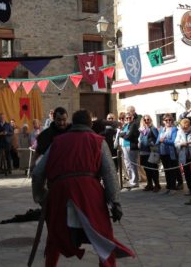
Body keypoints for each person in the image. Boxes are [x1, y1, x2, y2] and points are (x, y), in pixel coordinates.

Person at [31, 109, 134, 266]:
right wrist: (115, 202)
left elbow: (38, 173)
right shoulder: (98, 141)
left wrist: (42, 197)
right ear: (89, 124)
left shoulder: (57, 141)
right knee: (103, 235)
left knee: (55, 236)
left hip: (60, 193)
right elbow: (109, 175)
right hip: (89, 193)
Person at [156, 113, 180, 194]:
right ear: (163, 121)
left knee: (172, 170)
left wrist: (164, 140)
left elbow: (174, 141)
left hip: (171, 153)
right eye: (166, 120)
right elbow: (157, 140)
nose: (168, 121)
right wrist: (159, 141)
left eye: (170, 120)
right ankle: (168, 187)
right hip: (163, 153)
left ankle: (173, 188)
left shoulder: (174, 129)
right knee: (166, 171)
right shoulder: (162, 129)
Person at [138, 114, 160, 192]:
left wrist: (152, 144)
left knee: (153, 169)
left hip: (151, 152)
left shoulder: (153, 128)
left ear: (150, 120)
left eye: (148, 120)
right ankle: (149, 184)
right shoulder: (142, 130)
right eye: (145, 120)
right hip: (143, 151)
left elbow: (157, 139)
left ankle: (157, 185)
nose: (146, 121)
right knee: (147, 169)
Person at [119, 112, 140, 188]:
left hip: (131, 147)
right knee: (128, 164)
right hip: (125, 146)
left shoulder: (133, 125)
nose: (128, 119)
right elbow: (120, 134)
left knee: (132, 164)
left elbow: (128, 136)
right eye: (126, 118)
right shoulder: (126, 125)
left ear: (132, 118)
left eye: (129, 118)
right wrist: (124, 134)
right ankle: (131, 180)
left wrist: (123, 134)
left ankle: (135, 181)